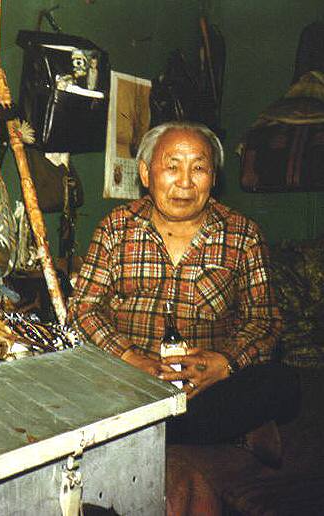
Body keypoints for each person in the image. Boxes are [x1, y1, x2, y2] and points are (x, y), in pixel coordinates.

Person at [68, 121, 300, 462]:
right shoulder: (115, 228)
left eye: (199, 168)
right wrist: (132, 360)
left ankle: (151, 433)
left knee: (283, 383)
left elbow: (264, 321)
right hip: (128, 383)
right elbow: (82, 310)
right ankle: (220, 432)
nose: (185, 182)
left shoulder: (243, 235)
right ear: (146, 174)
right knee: (74, 387)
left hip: (205, 390)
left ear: (214, 178)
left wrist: (223, 363)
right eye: (172, 167)